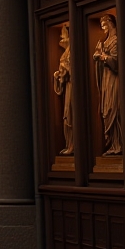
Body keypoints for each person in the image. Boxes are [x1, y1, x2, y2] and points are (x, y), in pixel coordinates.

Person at [93, 12, 121, 154]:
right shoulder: (104, 41)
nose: (103, 28)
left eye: (104, 25)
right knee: (106, 109)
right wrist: (98, 57)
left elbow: (116, 62)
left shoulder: (116, 40)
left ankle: (118, 145)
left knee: (113, 108)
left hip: (114, 80)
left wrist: (103, 57)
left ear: (110, 22)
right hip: (106, 79)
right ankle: (111, 144)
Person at [54, 23, 73, 155]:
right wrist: (58, 76)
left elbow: (73, 71)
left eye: (64, 34)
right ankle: (70, 144)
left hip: (73, 88)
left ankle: (73, 145)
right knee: (66, 115)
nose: (61, 36)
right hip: (67, 87)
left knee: (71, 115)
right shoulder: (65, 54)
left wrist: (65, 70)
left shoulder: (72, 53)